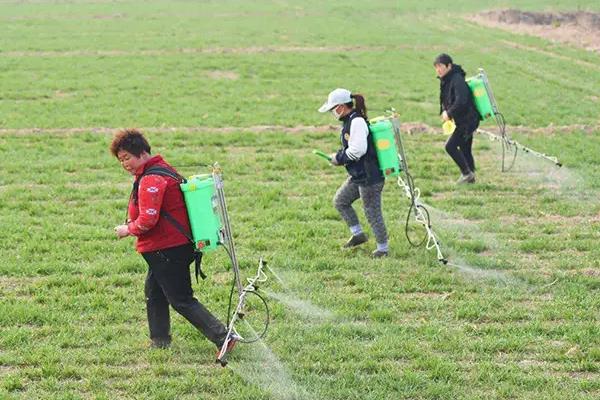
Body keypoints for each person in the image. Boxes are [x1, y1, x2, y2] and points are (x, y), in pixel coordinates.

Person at [111, 128, 238, 354]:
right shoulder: (161, 169)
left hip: (167, 250)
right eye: (121, 160)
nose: (124, 164)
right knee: (154, 291)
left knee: (181, 299)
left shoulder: (151, 178)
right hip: (170, 247)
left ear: (141, 153)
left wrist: (127, 229)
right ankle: (159, 339)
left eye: (126, 158)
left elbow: (147, 220)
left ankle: (223, 336)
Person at [318, 89, 389, 258]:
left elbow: (358, 150)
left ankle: (383, 249)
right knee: (340, 201)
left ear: (341, 107)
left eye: (332, 109)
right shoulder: (349, 121)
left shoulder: (356, 122)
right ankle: (358, 235)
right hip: (359, 175)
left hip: (369, 177)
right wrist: (337, 155)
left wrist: (339, 158)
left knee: (372, 212)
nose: (332, 113)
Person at [434, 53, 480, 184]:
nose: (438, 70)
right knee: (465, 148)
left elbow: (462, 100)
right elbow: (446, 99)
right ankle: (470, 177)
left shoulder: (457, 79)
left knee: (450, 146)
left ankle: (467, 174)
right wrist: (444, 111)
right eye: (436, 67)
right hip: (463, 119)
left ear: (449, 66)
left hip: (467, 120)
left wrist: (449, 113)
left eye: (440, 66)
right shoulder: (447, 79)